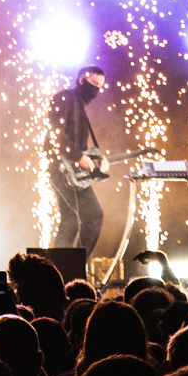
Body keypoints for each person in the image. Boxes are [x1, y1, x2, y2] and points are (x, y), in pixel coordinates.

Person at [47, 65, 108, 252]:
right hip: (61, 169)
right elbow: (55, 132)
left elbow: (77, 146)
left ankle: (59, 265)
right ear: (81, 80)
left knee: (71, 218)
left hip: (66, 170)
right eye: (94, 83)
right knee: (94, 216)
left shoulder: (79, 105)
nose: (96, 90)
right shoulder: (65, 98)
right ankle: (77, 265)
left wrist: (97, 161)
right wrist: (78, 156)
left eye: (100, 86)